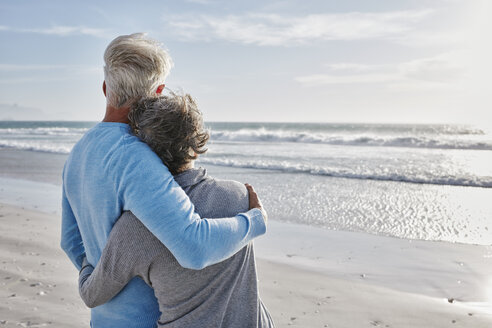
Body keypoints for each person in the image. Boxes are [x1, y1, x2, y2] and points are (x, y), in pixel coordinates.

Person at [61, 34, 267, 328]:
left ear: (105, 88)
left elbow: (69, 241)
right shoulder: (136, 157)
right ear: (157, 93)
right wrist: (255, 221)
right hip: (144, 321)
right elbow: (193, 248)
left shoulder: (78, 152)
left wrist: (95, 273)